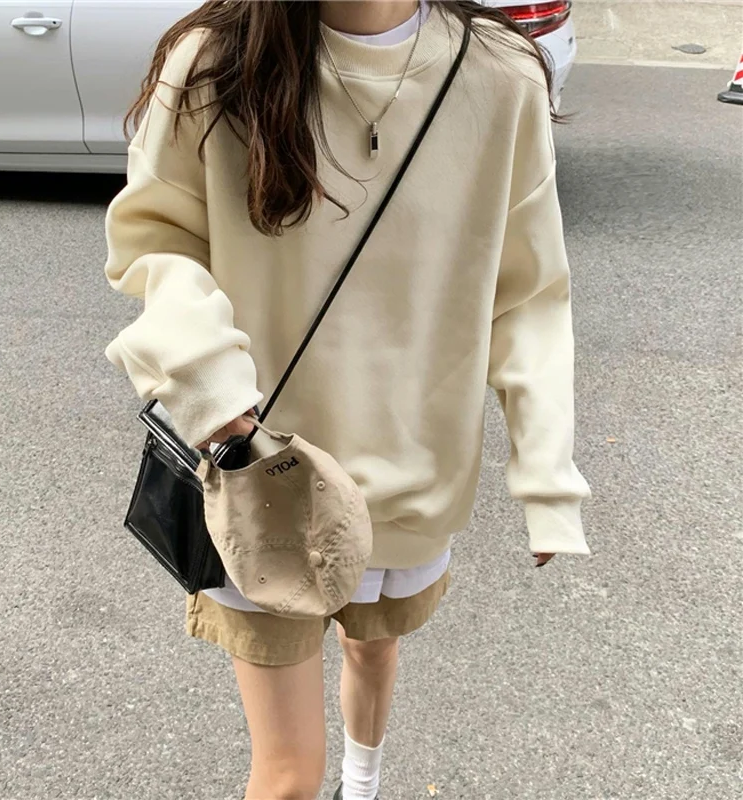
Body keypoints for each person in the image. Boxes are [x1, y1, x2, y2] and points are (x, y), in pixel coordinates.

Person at [103, 1, 591, 798]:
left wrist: (547, 475)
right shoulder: (218, 59)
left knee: (374, 648)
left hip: (415, 479)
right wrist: (209, 388)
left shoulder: (500, 75)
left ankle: (363, 783)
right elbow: (156, 238)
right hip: (262, 478)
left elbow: (529, 293)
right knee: (289, 776)